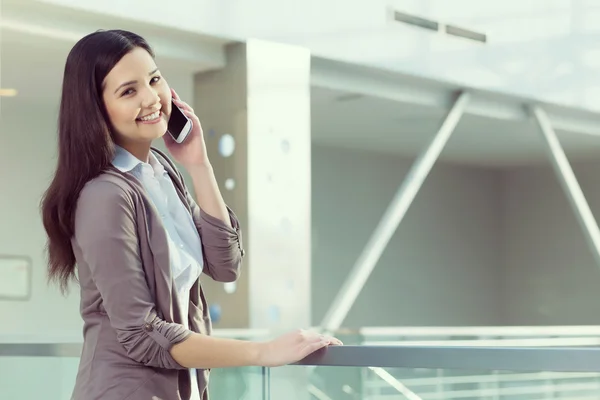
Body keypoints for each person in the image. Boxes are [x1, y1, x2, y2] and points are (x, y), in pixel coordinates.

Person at [40, 29, 341, 400]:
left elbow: (226, 264)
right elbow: (140, 333)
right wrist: (262, 352)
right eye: (128, 91)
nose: (152, 98)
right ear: (96, 109)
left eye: (154, 79)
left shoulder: (163, 174)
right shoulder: (105, 195)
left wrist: (199, 165)